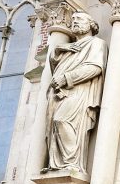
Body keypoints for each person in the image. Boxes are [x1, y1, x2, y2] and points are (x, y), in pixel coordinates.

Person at [46, 11, 108, 173]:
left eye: (79, 19)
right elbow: (55, 66)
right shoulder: (69, 47)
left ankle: (71, 163)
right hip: (60, 93)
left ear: (91, 25)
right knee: (55, 124)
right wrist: (59, 48)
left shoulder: (96, 43)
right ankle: (59, 165)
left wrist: (66, 78)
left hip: (80, 91)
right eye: (73, 19)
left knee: (62, 120)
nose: (75, 21)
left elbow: (94, 68)